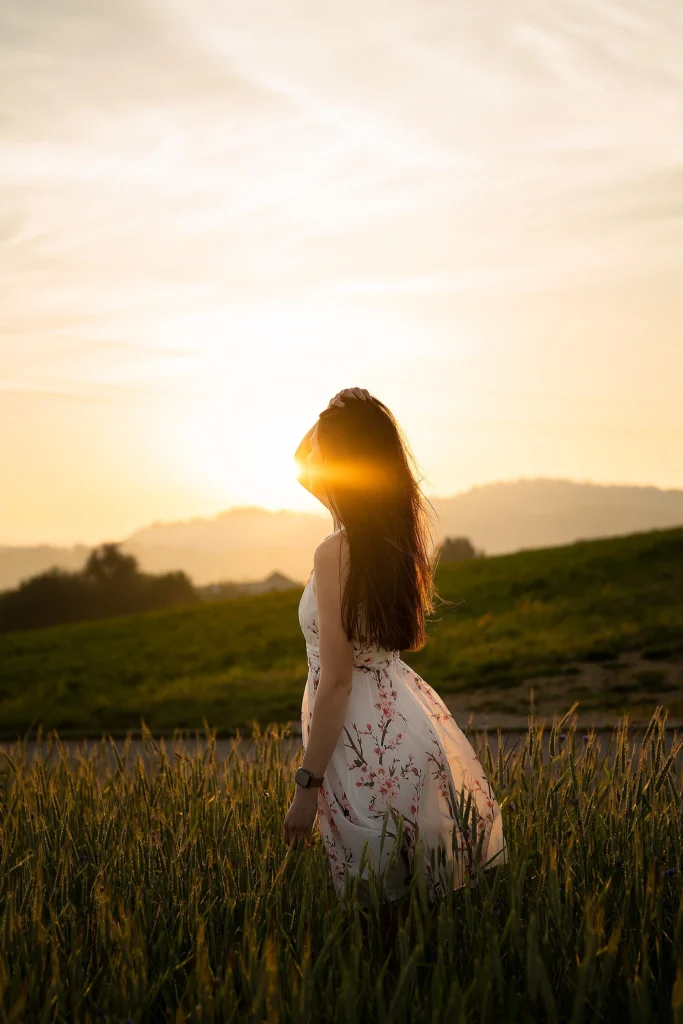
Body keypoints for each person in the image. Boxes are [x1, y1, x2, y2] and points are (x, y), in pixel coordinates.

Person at [283, 387, 508, 906]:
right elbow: (300, 465)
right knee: (415, 904)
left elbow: (337, 682)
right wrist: (343, 414)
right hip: (405, 727)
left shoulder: (334, 551)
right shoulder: (391, 538)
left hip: (360, 739)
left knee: (378, 912)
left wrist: (305, 787)